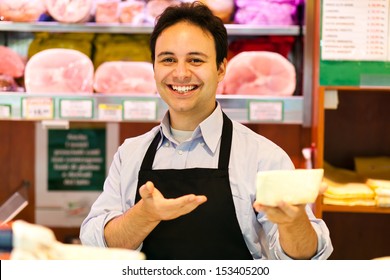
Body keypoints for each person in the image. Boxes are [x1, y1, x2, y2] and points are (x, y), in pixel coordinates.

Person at [80, 1, 333, 260]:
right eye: (168, 59)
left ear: (221, 68)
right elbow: (96, 245)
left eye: (195, 60)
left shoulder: (263, 156)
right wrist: (144, 215)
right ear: (154, 68)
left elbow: (307, 260)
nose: (180, 73)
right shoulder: (130, 154)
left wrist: (294, 223)